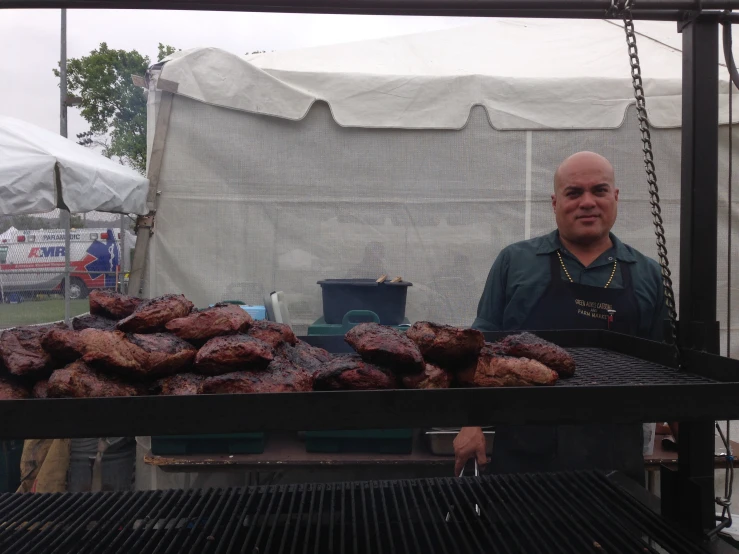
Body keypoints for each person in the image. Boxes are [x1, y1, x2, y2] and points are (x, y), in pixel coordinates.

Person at [453, 151, 668, 485]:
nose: (587, 202)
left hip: (614, 456)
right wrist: (471, 423)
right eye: (573, 192)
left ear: (615, 197)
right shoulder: (516, 262)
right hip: (526, 453)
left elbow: (664, 369)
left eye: (598, 190)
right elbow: (479, 353)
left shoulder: (647, 273)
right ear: (555, 202)